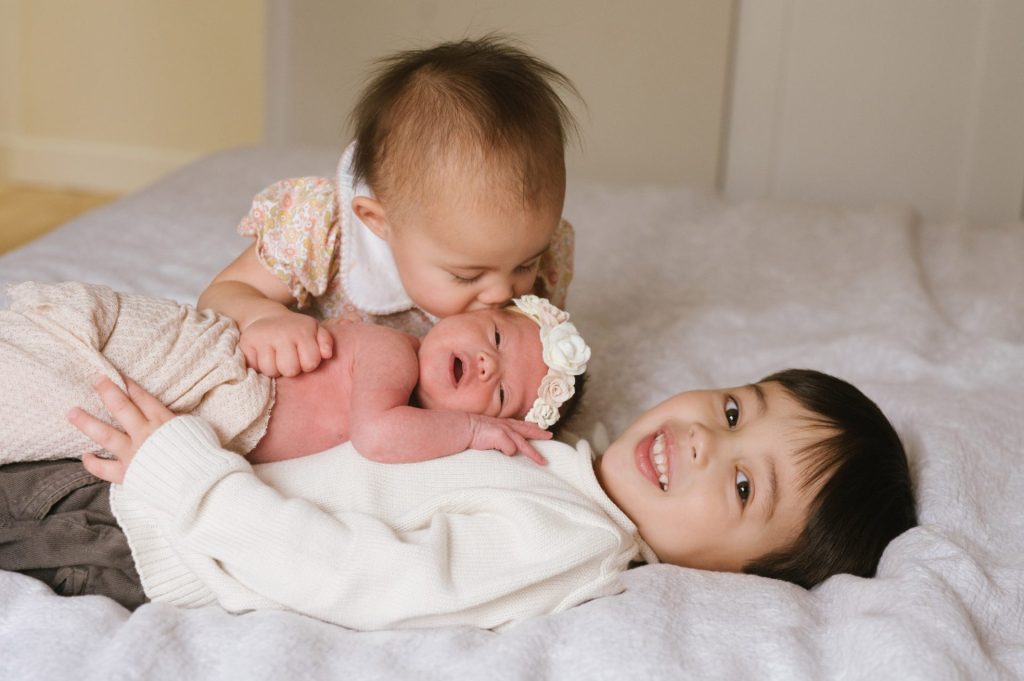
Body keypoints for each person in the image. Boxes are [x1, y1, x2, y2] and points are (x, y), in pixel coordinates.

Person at [0, 367, 916, 628]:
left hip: (154, 535)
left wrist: (187, 478)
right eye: (731, 408)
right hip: (156, 482)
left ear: (742, 575)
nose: (706, 442)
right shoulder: (558, 462)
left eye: (745, 483)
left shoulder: (571, 541)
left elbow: (364, 576)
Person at [198, 35, 580, 378]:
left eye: (524, 265)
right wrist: (264, 317)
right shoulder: (324, 230)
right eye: (466, 275)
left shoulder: (535, 249)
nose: (502, 292)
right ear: (378, 221)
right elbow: (226, 291)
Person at [0, 281, 589, 467]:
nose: (487, 365)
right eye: (493, 337)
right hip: (185, 361)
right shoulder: (392, 351)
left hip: (185, 421)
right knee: (36, 374)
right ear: (463, 312)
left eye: (504, 391)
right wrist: (477, 432)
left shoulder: (424, 436)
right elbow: (377, 435)